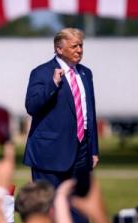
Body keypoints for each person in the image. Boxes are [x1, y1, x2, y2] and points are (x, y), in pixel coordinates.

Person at [23, 27, 99, 189]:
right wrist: (53, 84)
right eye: (74, 46)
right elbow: (31, 106)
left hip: (82, 151)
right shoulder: (41, 72)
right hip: (50, 154)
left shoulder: (86, 73)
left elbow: (89, 113)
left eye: (81, 46)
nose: (79, 50)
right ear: (59, 49)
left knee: (78, 208)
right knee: (48, 207)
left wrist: (93, 149)